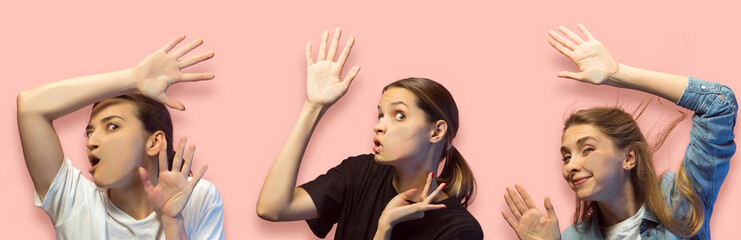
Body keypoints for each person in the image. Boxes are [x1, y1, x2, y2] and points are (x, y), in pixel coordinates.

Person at [502, 24, 736, 240]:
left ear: (629, 158)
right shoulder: (574, 237)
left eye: (587, 149)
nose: (570, 166)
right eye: (566, 156)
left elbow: (719, 105)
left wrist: (617, 74)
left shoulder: (678, 203)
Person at [256, 28, 483, 240]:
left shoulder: (460, 230)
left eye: (399, 115)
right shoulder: (358, 173)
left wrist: (385, 228)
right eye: (380, 115)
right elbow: (272, 208)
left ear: (437, 131)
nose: (379, 126)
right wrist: (313, 106)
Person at [16, 35, 224, 239]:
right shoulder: (73, 201)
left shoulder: (196, 197)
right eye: (89, 132)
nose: (91, 142)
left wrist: (173, 222)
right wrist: (134, 79)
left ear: (154, 142)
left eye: (112, 126)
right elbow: (30, 107)